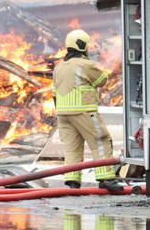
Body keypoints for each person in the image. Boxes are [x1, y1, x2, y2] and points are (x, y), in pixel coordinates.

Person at [53, 29, 124, 191]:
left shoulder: (59, 67)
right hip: (83, 111)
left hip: (63, 114)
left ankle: (72, 181)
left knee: (72, 146)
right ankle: (106, 178)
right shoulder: (85, 65)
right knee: (101, 141)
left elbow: (54, 93)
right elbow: (102, 81)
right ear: (83, 45)